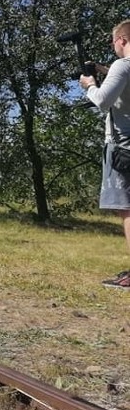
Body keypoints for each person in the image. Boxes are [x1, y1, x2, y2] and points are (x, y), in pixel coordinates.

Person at [80, 20, 130, 290]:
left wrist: (89, 84)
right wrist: (103, 70)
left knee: (128, 209)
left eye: (114, 43)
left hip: (124, 148)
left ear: (121, 39)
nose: (114, 48)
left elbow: (102, 101)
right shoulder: (122, 69)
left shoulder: (124, 65)